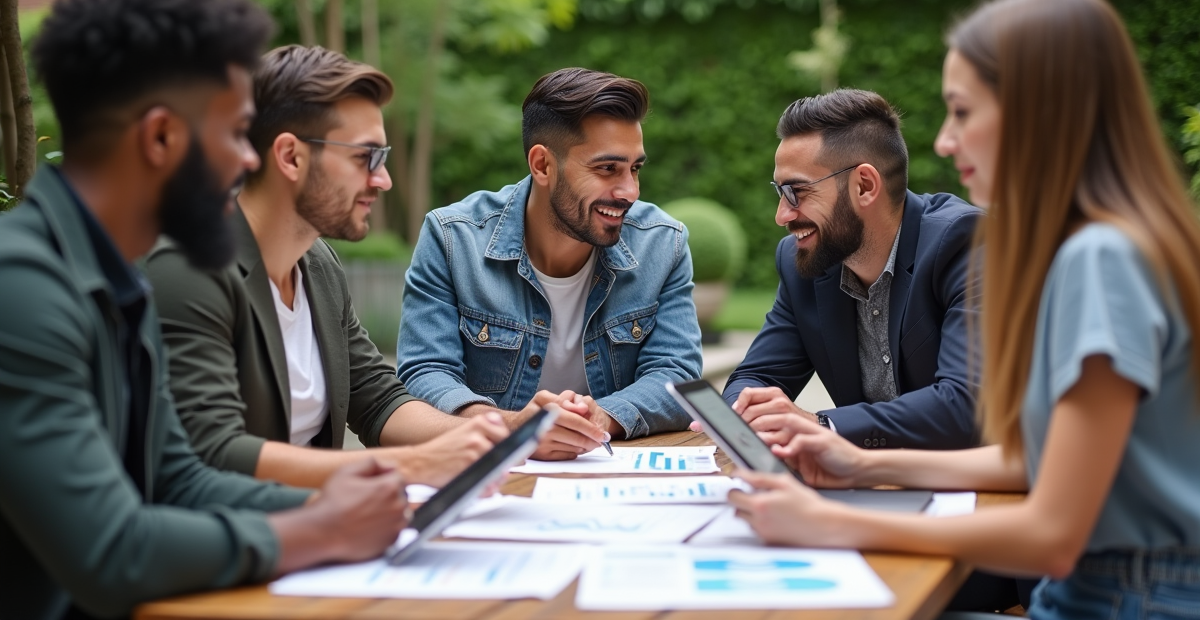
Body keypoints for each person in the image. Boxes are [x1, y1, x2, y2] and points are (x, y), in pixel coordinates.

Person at [730, 0, 1200, 618]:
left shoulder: (1099, 259)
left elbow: (1054, 533)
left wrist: (832, 522)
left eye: (961, 112)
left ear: (1037, 112)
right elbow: (1035, 460)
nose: (945, 143)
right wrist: (853, 465)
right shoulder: (1110, 244)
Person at [0, 0, 409, 620]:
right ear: (161, 137)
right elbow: (112, 550)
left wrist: (369, 503)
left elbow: (180, 482)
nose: (249, 161)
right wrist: (322, 530)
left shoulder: (118, 281)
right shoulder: (20, 288)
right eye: (231, 133)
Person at [145, 45, 508, 490]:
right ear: (290, 157)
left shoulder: (317, 265)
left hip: (312, 539)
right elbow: (212, 451)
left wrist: (498, 435)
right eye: (365, 157)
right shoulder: (188, 268)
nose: (383, 179)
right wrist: (410, 468)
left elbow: (377, 399)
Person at [396, 67, 703, 459]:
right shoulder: (453, 239)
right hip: (494, 478)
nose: (629, 190)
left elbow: (676, 374)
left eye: (635, 168)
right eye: (607, 168)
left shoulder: (664, 243)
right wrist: (509, 428)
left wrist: (602, 416)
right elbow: (425, 372)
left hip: (610, 475)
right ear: (542, 165)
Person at [722, 89, 981, 450]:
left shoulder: (965, 244)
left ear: (864, 186)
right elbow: (758, 377)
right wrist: (745, 414)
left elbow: (966, 404)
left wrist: (822, 426)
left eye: (796, 192)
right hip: (865, 485)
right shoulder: (803, 264)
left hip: (982, 491)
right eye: (779, 193)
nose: (781, 215)